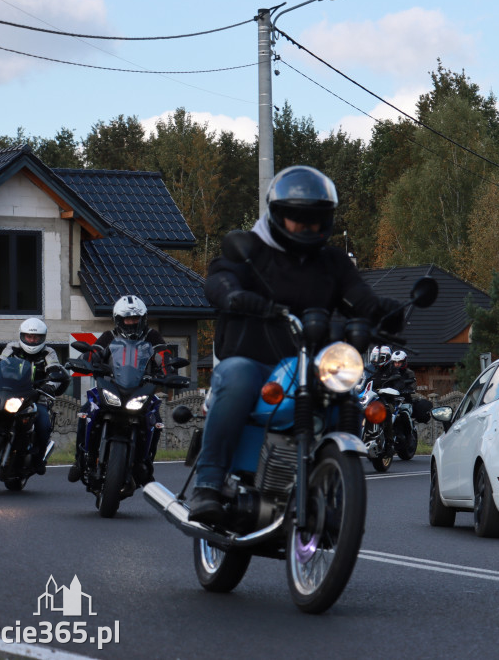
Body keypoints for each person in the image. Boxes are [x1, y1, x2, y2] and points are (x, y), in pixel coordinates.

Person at [189, 165, 404, 523]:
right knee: (238, 378)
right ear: (278, 216)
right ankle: (208, 485)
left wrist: (385, 311)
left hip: (314, 362)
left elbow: (359, 295)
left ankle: (328, 487)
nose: (307, 228)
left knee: (345, 395)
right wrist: (235, 296)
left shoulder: (333, 261)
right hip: (253, 358)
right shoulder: (252, 249)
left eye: (316, 221)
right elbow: (221, 277)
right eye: (298, 220)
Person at [67, 295, 172, 484]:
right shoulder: (109, 336)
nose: (132, 322)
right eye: (127, 318)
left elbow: (163, 356)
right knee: (86, 412)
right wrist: (86, 360)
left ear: (143, 318)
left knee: (155, 420)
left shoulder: (152, 336)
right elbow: (95, 352)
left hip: (141, 390)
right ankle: (80, 460)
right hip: (112, 386)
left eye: (136, 318)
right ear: (118, 319)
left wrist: (167, 370)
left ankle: (145, 463)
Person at [0, 318, 63, 474]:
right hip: (10, 391)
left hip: (37, 395)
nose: (32, 340)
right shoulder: (12, 347)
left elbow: (54, 371)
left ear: (42, 338)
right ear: (22, 336)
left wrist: (50, 387)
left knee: (44, 424)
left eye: (36, 337)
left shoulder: (48, 352)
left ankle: (38, 459)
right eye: (29, 337)